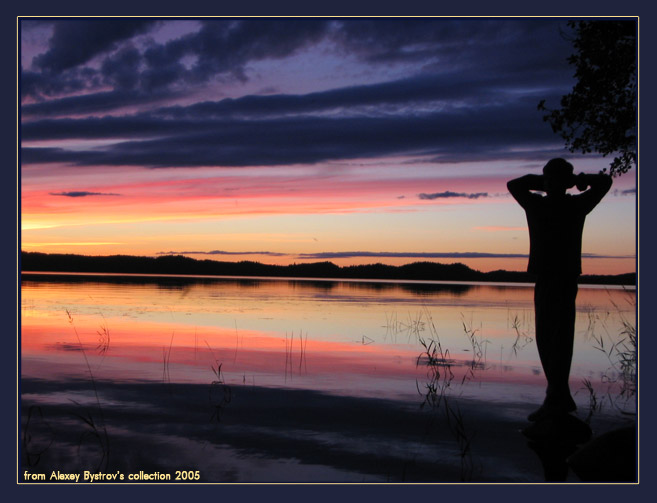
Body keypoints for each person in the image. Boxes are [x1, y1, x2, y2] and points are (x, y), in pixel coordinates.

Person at [507, 158, 612, 422]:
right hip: (553, 274)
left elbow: (515, 185)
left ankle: (556, 398)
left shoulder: (555, 204)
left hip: (558, 275)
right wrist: (577, 180)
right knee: (553, 336)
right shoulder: (570, 204)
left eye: (551, 178)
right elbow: (604, 183)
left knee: (554, 335)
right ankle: (558, 396)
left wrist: (553, 181)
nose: (548, 183)